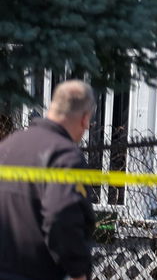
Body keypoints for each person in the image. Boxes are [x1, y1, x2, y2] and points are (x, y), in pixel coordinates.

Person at [0, 80, 97, 280]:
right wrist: (78, 271)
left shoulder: (9, 145)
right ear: (85, 119)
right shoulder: (65, 156)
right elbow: (60, 217)